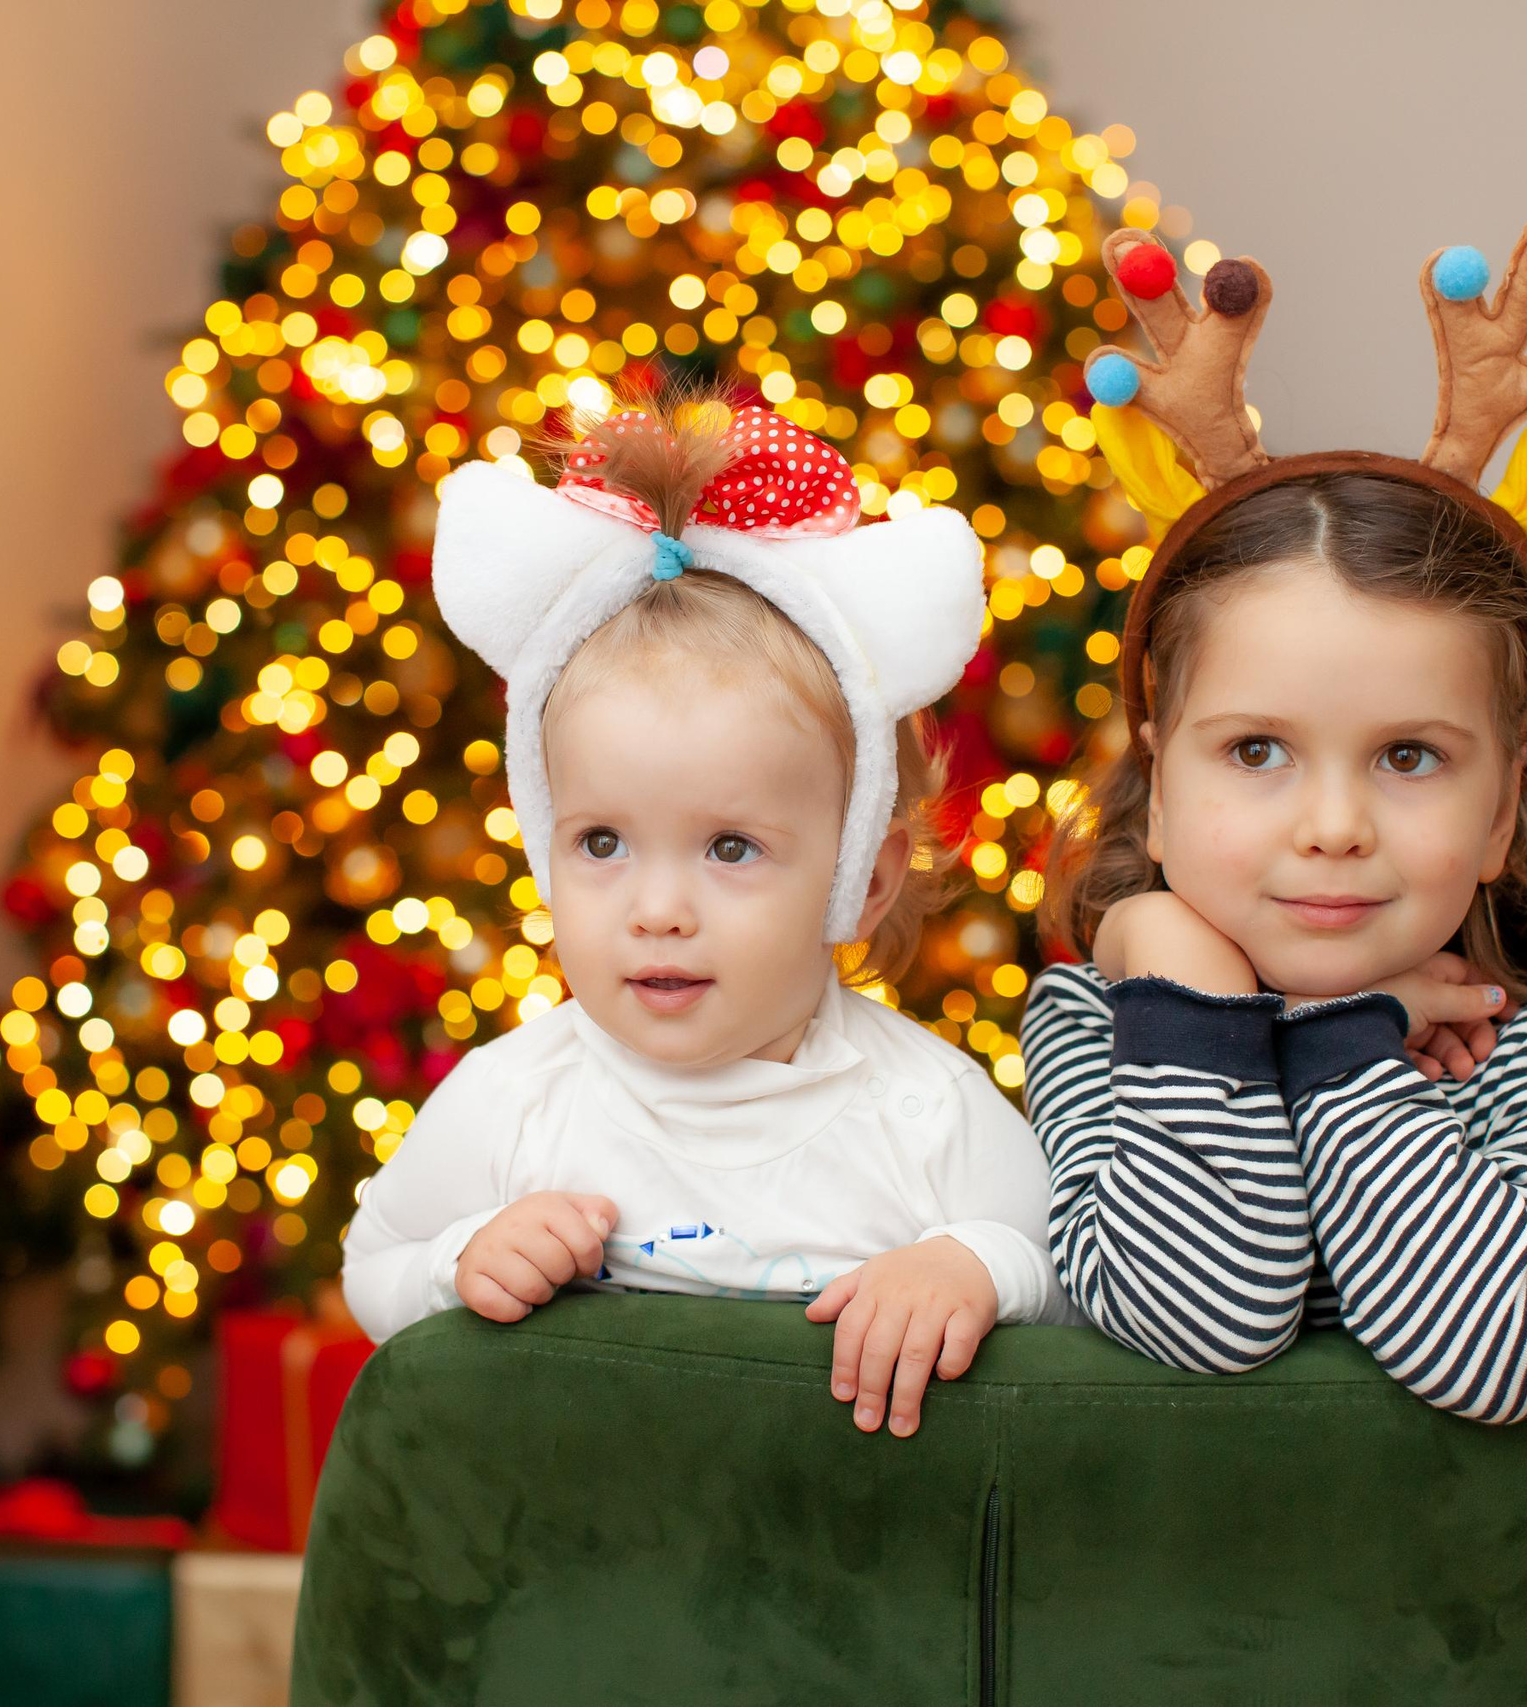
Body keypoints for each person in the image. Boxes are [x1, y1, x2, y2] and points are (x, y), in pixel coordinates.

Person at [343, 394, 1072, 1440]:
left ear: (860, 881)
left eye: (730, 848)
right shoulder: (516, 1101)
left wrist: (977, 1265)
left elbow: (1075, 1282)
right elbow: (374, 1267)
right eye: (602, 843)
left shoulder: (926, 1114)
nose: (657, 911)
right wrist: (456, 1263)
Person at [1027, 217, 1527, 1423]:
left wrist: (1338, 1052)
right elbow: (1198, 1318)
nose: (1332, 826)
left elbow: (1507, 1357)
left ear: (1502, 807)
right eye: (1256, 750)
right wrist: (1193, 992)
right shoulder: (1106, 1022)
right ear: (1160, 789)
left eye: (1408, 756)